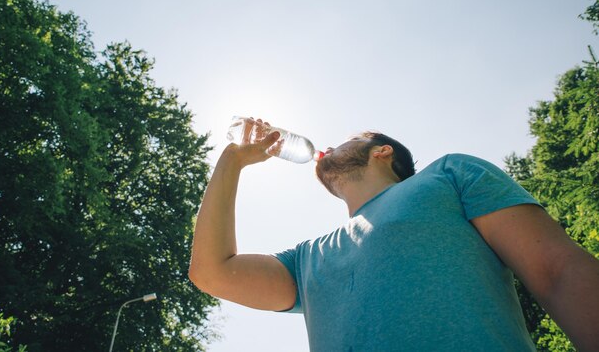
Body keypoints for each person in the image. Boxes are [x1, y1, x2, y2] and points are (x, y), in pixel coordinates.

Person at [189, 120, 599, 351]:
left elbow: (556, 271)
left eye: (352, 138)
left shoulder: (449, 175)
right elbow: (212, 272)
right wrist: (233, 159)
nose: (330, 145)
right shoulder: (307, 259)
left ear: (381, 151)